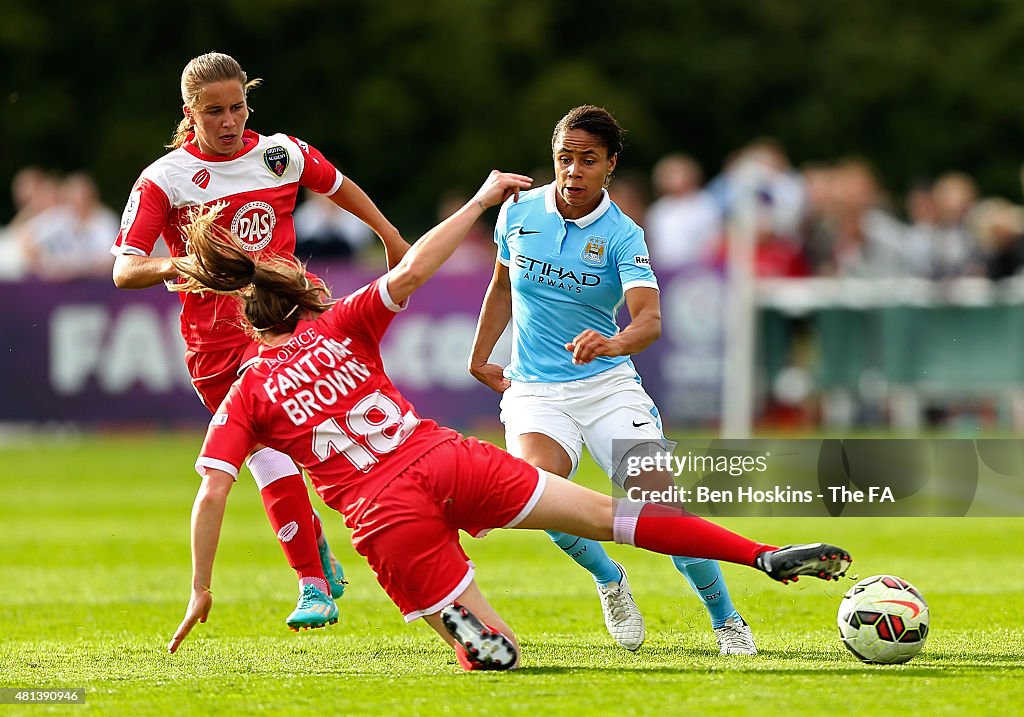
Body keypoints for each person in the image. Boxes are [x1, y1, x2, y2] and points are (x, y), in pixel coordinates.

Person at [164, 168, 853, 670]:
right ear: (304, 302)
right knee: (621, 512)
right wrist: (479, 200)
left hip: (380, 514)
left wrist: (200, 587)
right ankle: (758, 553)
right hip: (445, 459)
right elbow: (415, 268)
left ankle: (477, 635)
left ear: (254, 329)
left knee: (504, 657)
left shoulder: (245, 395)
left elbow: (213, 491)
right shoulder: (341, 324)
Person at [110, 52, 409, 631]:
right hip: (213, 346)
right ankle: (313, 550)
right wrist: (190, 263)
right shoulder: (164, 178)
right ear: (189, 113)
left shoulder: (278, 154)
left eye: (238, 107)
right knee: (271, 454)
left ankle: (312, 584)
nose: (229, 121)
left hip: (280, 327)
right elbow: (125, 269)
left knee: (295, 448)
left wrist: (391, 237)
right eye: (214, 111)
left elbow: (338, 185)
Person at [468, 106, 756, 655]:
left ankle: (726, 619)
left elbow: (649, 320)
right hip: (535, 391)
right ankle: (609, 579)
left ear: (610, 165)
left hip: (606, 386)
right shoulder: (518, 213)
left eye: (587, 160)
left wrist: (613, 341)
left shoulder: (624, 234)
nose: (573, 172)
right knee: (537, 495)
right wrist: (480, 356)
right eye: (564, 159)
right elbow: (502, 286)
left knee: (660, 506)